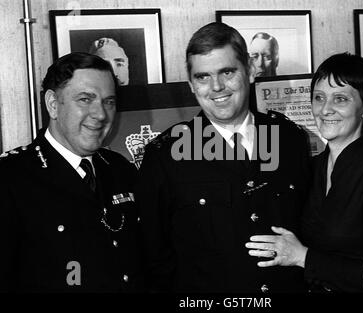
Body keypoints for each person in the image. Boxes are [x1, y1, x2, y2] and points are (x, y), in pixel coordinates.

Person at [135, 22, 311, 293]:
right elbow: (154, 259)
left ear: (250, 71)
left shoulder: (289, 138)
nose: (216, 87)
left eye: (227, 72)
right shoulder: (165, 155)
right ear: (191, 85)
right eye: (202, 77)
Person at [246, 53, 363, 292]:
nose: (325, 109)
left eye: (340, 99)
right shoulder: (312, 167)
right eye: (319, 98)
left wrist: (303, 257)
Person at [0, 52, 142, 292]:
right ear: (53, 105)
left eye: (109, 101)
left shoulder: (120, 169)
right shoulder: (10, 178)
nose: (100, 114)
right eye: (86, 99)